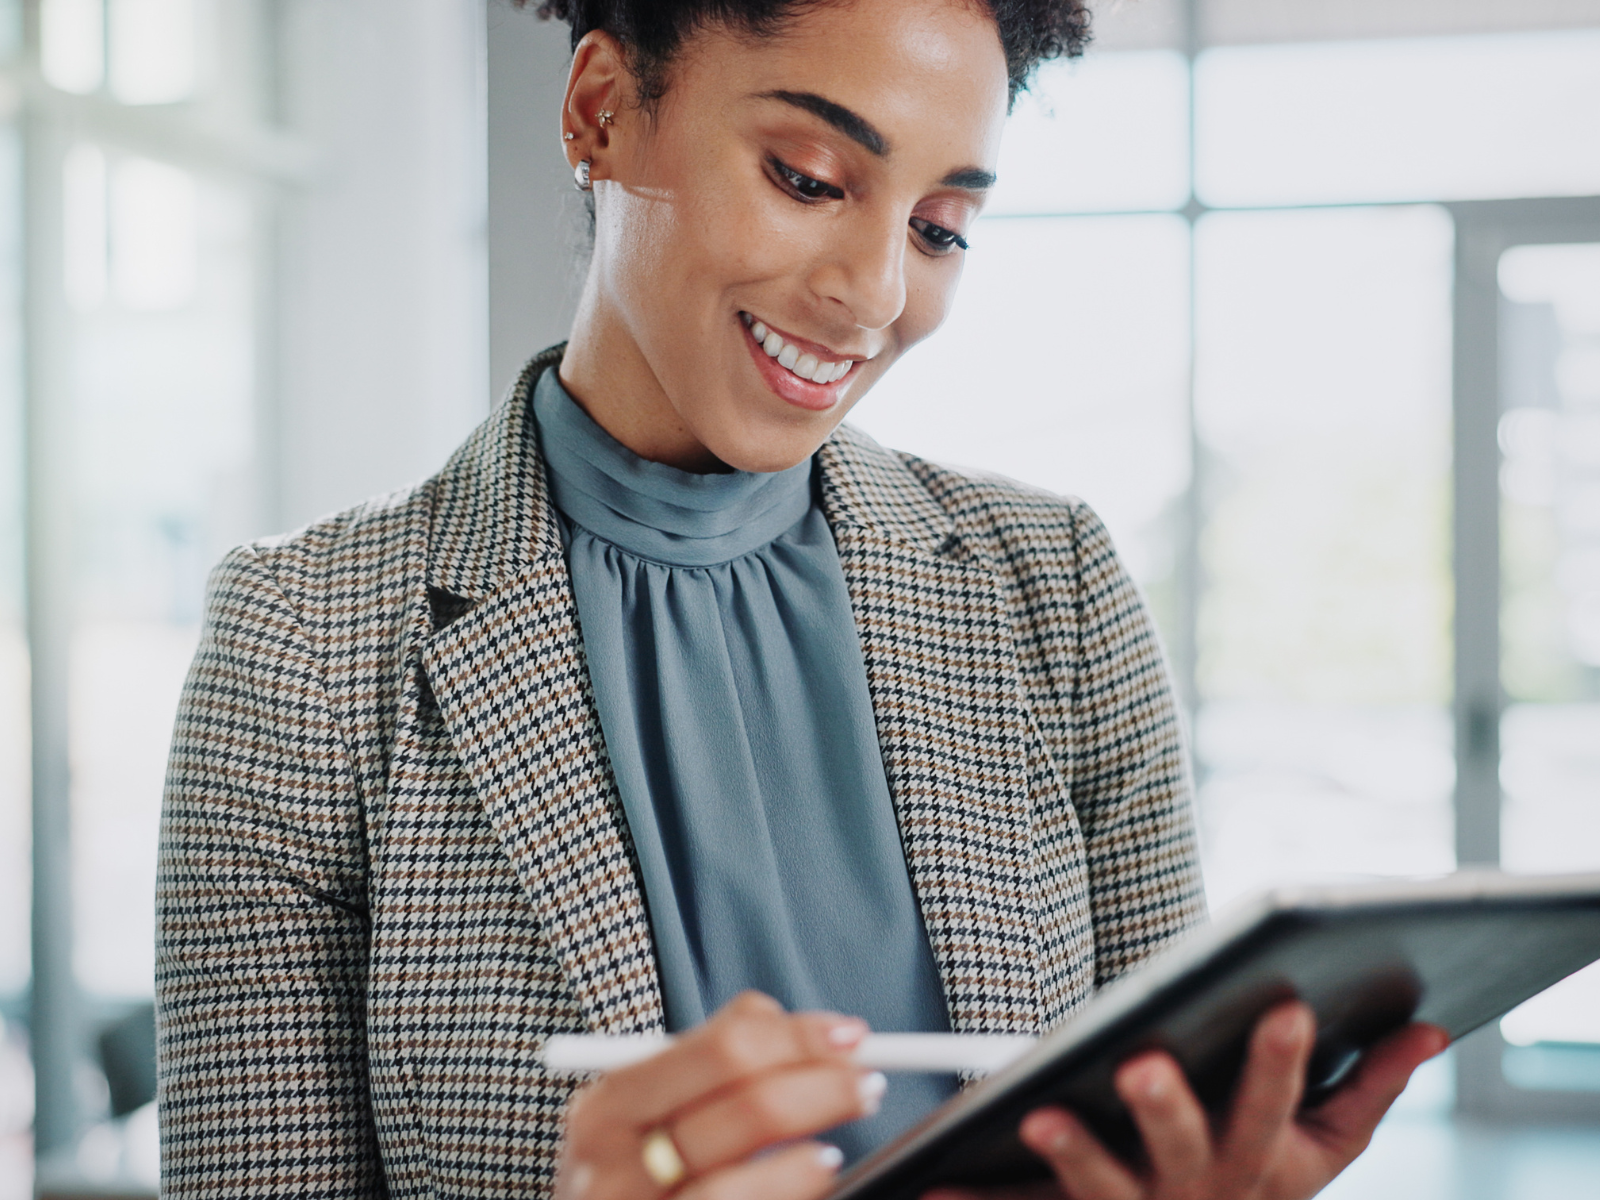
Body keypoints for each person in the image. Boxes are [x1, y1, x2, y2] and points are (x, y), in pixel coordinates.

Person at [155, 1, 1447, 1197]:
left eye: (941, 228)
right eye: (812, 180)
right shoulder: (308, 640)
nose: (877, 293)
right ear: (601, 111)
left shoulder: (1054, 586)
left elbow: (1157, 1106)